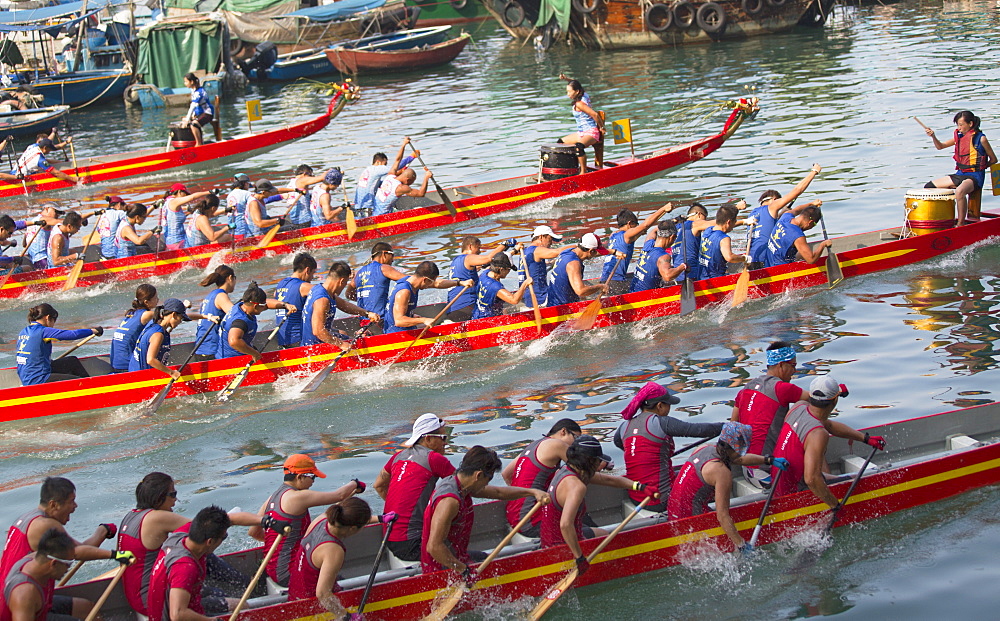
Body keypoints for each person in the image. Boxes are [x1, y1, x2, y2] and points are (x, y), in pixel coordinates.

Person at [116, 473, 262, 615]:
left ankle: (246, 583)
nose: (176, 500)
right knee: (204, 551)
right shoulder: (157, 518)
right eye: (172, 494)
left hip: (137, 596)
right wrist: (266, 521)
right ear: (158, 497)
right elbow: (206, 528)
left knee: (196, 548)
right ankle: (250, 584)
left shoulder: (131, 515)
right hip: (152, 601)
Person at [0, 476, 132, 620]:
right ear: (53, 504)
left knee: (86, 608)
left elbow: (76, 551)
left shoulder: (26, 518)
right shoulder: (45, 525)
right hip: (22, 604)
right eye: (71, 501)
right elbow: (76, 552)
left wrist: (102, 532)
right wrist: (116, 553)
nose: (75, 506)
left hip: (31, 593)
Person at [421, 446, 548, 575]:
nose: (486, 485)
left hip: (459, 556)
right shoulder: (449, 501)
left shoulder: (461, 484)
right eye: (488, 480)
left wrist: (532, 492)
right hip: (441, 568)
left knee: (490, 562)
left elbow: (499, 492)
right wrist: (463, 570)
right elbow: (434, 547)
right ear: (479, 475)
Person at [540, 436, 656, 574]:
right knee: (614, 546)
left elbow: (608, 480)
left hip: (549, 540)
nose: (601, 463)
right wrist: (579, 558)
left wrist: (640, 487)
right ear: (589, 461)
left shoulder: (566, 470)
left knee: (605, 534)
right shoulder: (576, 487)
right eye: (598, 460)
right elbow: (565, 525)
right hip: (562, 547)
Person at [667, 422, 788, 554]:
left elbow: (739, 460)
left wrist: (768, 460)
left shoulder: (706, 449)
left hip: (673, 511)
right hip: (689, 522)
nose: (742, 454)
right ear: (734, 450)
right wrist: (741, 544)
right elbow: (723, 516)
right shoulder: (721, 472)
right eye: (741, 451)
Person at [772, 375, 886, 511]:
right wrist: (835, 505)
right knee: (859, 480)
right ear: (835, 400)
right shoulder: (818, 433)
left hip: (778, 484)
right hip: (793, 494)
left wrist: (866, 438)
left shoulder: (799, 407)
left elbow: (829, 425)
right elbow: (811, 479)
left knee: (838, 477)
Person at [249, 454, 364, 588]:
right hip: (289, 574)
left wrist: (284, 543)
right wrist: (355, 483)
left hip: (272, 569)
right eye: (312, 477)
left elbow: (253, 532)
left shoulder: (271, 499)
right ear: (300, 477)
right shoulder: (297, 497)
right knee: (338, 578)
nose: (314, 481)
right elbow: (339, 495)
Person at [613, 382, 724, 512]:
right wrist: (726, 426)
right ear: (660, 406)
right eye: (668, 405)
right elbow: (698, 430)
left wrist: (647, 455)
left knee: (684, 473)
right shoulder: (661, 422)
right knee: (708, 480)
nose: (669, 408)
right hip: (660, 499)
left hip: (636, 497)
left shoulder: (624, 426)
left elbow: (618, 443)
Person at [373, 414, 456, 562]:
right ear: (428, 439)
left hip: (389, 540)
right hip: (412, 544)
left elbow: (378, 485)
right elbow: (465, 485)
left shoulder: (398, 457)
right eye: (443, 437)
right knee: (466, 557)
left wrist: (403, 510)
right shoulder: (434, 458)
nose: (446, 442)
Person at [287, 498, 389, 615]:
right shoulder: (333, 550)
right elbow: (323, 594)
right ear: (353, 528)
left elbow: (349, 519)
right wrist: (345, 616)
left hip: (294, 596)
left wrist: (380, 519)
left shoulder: (322, 519)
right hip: (310, 608)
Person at [731, 341, 809, 487]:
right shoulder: (782, 388)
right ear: (781, 365)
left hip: (746, 467)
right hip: (765, 471)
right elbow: (819, 400)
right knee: (805, 409)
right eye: (792, 365)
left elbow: (733, 426)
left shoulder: (746, 389)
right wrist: (838, 390)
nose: (795, 370)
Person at [146, 506, 230, 621]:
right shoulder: (185, 568)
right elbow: (178, 614)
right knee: (241, 605)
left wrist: (261, 521)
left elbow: (232, 519)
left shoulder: (178, 536)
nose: (223, 540)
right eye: (223, 537)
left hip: (164, 611)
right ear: (209, 541)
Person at [501, 418, 581, 537]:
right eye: (576, 438)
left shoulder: (534, 444)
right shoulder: (558, 445)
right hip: (531, 521)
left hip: (514, 517)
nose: (576, 445)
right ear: (563, 431)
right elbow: (582, 471)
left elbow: (506, 474)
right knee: (579, 515)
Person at [923, 111, 997, 226]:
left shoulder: (981, 139)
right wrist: (933, 136)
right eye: (957, 125)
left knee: (959, 191)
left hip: (975, 177)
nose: (959, 127)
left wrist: (981, 167)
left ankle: (960, 223)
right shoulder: (959, 137)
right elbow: (940, 146)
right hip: (960, 174)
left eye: (961, 124)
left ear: (970, 124)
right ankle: (943, 219)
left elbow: (993, 159)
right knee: (929, 187)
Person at [747, 166, 822, 267]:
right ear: (774, 199)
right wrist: (814, 172)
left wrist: (811, 204)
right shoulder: (772, 207)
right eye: (779, 202)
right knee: (801, 251)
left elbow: (772, 224)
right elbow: (797, 190)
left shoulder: (753, 213)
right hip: (764, 261)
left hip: (750, 259)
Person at [15, 304, 102, 385]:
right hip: (39, 379)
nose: (53, 324)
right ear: (48, 318)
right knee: (79, 382)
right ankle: (92, 389)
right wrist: (93, 331)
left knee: (71, 361)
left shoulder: (24, 331)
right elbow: (72, 334)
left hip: (26, 376)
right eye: (54, 320)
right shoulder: (43, 331)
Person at [300, 261, 380, 348]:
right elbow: (318, 331)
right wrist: (341, 344)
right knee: (357, 346)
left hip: (320, 340)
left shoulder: (320, 289)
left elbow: (345, 305)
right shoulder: (322, 300)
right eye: (345, 283)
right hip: (315, 348)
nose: (344, 286)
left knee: (345, 335)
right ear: (342, 281)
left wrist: (367, 313)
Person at [600, 205, 674, 294]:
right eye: (636, 225)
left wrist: (672, 222)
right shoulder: (627, 235)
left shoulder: (614, 235)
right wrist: (663, 209)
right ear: (630, 223)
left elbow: (631, 239)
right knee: (647, 283)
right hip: (615, 283)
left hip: (605, 280)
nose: (637, 227)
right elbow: (646, 225)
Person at [383, 261, 470, 335]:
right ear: (424, 279)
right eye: (430, 282)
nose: (430, 285)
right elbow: (399, 321)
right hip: (397, 333)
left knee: (440, 325)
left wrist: (460, 283)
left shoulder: (413, 281)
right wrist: (424, 320)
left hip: (407, 327)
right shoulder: (404, 292)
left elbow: (437, 284)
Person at [217, 283, 295, 361]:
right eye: (263, 305)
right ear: (255, 306)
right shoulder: (241, 321)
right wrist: (255, 354)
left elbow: (267, 304)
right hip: (233, 360)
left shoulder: (242, 305)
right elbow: (234, 341)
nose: (265, 307)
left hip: (229, 355)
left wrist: (285, 305)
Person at [447, 235, 511, 322]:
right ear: (470, 246)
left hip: (452, 310)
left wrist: (513, 252)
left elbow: (485, 264)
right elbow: (488, 258)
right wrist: (504, 244)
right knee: (495, 310)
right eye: (478, 247)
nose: (479, 251)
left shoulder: (456, 261)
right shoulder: (468, 258)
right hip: (466, 308)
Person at [546, 232, 616, 307]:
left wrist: (613, 252)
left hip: (552, 302)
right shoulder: (574, 264)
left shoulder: (568, 251)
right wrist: (600, 287)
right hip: (564, 308)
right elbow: (580, 291)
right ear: (591, 251)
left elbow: (593, 253)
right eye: (596, 252)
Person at [129, 299, 192, 376]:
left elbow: (171, 322)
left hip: (133, 372)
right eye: (181, 318)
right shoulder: (158, 335)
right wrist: (172, 373)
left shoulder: (153, 323)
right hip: (141, 378)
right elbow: (151, 360)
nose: (180, 322)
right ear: (174, 315)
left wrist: (205, 317)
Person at [354, 139, 417, 215]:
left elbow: (382, 184)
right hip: (367, 208)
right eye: (385, 164)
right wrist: (411, 157)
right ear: (378, 162)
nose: (385, 167)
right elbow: (397, 165)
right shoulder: (375, 169)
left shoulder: (367, 171)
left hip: (359, 208)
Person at [346, 242, 408, 318]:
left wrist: (367, 299)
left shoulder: (359, 272)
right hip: (380, 319)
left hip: (364, 320)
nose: (393, 260)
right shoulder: (383, 268)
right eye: (392, 255)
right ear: (384, 254)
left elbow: (348, 294)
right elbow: (410, 281)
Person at [557, 73, 604, 171]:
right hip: (581, 132)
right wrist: (566, 79)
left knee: (579, 147)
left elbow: (595, 114)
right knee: (560, 143)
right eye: (567, 92)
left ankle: (583, 172)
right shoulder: (584, 95)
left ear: (577, 91)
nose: (568, 94)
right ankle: (570, 169)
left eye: (569, 92)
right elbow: (576, 83)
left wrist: (602, 128)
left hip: (591, 132)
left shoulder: (580, 104)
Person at [110, 284, 160, 372]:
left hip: (115, 363)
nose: (158, 300)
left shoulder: (131, 313)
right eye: (155, 297)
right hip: (127, 365)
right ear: (146, 302)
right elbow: (169, 317)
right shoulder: (146, 314)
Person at [763, 204, 831, 268]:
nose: (812, 227)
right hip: (779, 270)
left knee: (801, 253)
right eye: (814, 224)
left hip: (768, 262)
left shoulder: (786, 216)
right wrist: (823, 244)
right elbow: (811, 260)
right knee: (809, 256)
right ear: (810, 222)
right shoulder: (798, 236)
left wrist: (811, 203)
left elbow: (796, 210)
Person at [629, 219, 687, 293]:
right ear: (672, 237)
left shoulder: (648, 242)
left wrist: (671, 222)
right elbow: (667, 276)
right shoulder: (663, 256)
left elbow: (653, 231)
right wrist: (682, 267)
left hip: (633, 291)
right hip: (646, 297)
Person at [192, 266, 234, 362]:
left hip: (200, 349)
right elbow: (238, 317)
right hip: (211, 351)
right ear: (230, 278)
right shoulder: (221, 296)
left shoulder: (210, 295)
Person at [472, 252, 532, 320]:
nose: (509, 272)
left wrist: (514, 251)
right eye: (508, 269)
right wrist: (525, 284)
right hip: (488, 320)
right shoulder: (494, 286)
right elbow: (514, 300)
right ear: (501, 269)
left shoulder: (485, 273)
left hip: (478, 314)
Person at [517, 225, 567, 305]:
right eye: (550, 239)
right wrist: (578, 247)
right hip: (540, 298)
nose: (551, 243)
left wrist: (552, 263)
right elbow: (556, 252)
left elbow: (534, 268)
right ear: (541, 237)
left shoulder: (525, 252)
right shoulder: (537, 250)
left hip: (527, 298)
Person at [273, 253, 315, 348]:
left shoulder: (280, 284)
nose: (312, 278)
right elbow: (327, 293)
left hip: (283, 340)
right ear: (307, 270)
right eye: (313, 273)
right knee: (342, 333)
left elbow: (274, 296)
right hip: (299, 341)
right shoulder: (304, 286)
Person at [697, 204, 745, 280]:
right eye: (735, 221)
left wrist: (744, 222)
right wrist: (745, 258)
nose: (734, 224)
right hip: (716, 279)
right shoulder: (724, 238)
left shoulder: (708, 230)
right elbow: (730, 258)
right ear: (728, 222)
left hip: (701, 277)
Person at [0, 138, 79, 184]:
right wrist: (73, 179)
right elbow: (56, 172)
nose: (50, 151)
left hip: (15, 171)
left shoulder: (33, 146)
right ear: (45, 148)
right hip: (19, 178)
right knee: (47, 169)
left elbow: (55, 148)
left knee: (43, 165)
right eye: (49, 149)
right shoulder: (39, 159)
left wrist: (66, 142)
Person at [160, 183, 211, 251]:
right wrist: (209, 192)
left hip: (170, 242)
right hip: (178, 242)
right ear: (179, 192)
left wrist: (188, 213)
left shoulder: (166, 202)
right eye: (185, 194)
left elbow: (174, 219)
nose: (186, 196)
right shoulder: (174, 201)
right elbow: (192, 197)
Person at [180, 73, 214, 147]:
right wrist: (190, 117)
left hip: (207, 113)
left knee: (194, 124)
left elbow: (192, 106)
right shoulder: (194, 91)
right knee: (185, 121)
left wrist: (188, 119)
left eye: (186, 81)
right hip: (200, 113)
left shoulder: (199, 92)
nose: (184, 83)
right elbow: (195, 108)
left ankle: (199, 144)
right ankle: (192, 142)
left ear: (191, 82)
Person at [95, 196, 129, 260]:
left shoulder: (101, 215)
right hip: (116, 252)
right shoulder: (119, 213)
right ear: (119, 205)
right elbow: (135, 217)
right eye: (123, 206)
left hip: (105, 253)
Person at [226, 174, 253, 241]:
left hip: (232, 226)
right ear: (244, 183)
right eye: (248, 183)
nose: (248, 186)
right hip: (242, 226)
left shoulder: (230, 195)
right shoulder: (246, 193)